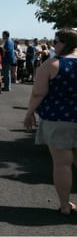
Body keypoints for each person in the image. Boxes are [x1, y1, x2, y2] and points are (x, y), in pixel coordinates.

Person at [23, 29, 77, 215]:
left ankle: (65, 205)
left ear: (64, 43)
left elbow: (39, 93)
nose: (54, 45)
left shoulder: (51, 65)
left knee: (62, 164)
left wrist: (29, 113)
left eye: (56, 41)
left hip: (58, 119)